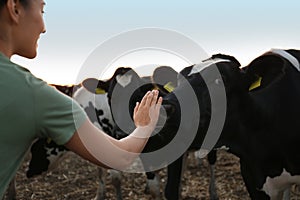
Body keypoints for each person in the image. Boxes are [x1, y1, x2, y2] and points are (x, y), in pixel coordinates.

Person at [0, 0, 162, 198]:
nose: (43, 28)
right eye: (42, 10)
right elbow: (121, 157)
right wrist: (145, 125)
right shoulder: (33, 94)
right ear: (14, 8)